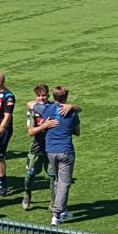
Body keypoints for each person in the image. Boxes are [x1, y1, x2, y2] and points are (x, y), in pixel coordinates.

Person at [23, 85, 82, 211]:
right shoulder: (33, 110)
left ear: (49, 95)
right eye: (39, 95)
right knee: (30, 175)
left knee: (52, 177)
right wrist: (45, 126)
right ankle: (27, 195)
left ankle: (53, 203)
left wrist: (71, 106)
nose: (41, 98)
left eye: (44, 95)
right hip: (38, 147)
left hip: (52, 148)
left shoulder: (53, 107)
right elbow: (31, 132)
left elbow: (78, 109)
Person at [42, 87, 81, 226]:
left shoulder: (48, 109)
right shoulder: (72, 113)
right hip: (65, 150)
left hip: (50, 150)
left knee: (58, 181)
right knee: (64, 183)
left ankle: (62, 210)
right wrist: (72, 108)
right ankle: (57, 214)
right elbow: (77, 132)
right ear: (66, 97)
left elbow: (33, 106)